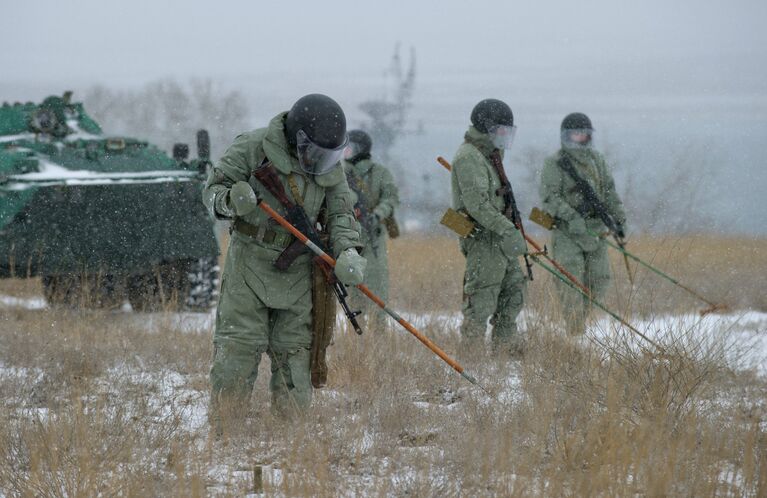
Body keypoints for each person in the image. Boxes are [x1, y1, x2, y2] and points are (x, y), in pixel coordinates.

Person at [202, 94, 366, 423]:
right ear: (298, 139)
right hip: (250, 262)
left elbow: (341, 215)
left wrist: (348, 250)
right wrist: (232, 199)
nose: (322, 161)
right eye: (317, 153)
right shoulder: (252, 147)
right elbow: (212, 192)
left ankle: (290, 439)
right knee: (238, 349)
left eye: (329, 155)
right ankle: (224, 434)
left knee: (296, 355)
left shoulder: (331, 166)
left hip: (301, 271)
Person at [450, 98, 528, 355]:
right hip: (484, 240)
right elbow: (478, 205)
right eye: (501, 130)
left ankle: (504, 354)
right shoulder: (469, 157)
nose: (505, 137)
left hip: (500, 239)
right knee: (481, 301)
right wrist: (507, 229)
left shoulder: (490, 154)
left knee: (513, 293)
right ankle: (471, 357)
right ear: (487, 127)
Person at [539, 112, 627, 336]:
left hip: (596, 230)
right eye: (575, 134)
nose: (580, 138)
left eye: (584, 134)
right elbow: (550, 197)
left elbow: (609, 191)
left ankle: (580, 320)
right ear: (566, 136)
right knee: (571, 281)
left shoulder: (597, 160)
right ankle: (575, 330)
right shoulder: (555, 163)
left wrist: (618, 219)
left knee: (600, 280)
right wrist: (572, 217)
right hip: (568, 232)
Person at [342, 129, 400, 327]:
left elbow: (391, 198)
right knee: (353, 289)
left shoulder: (380, 173)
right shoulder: (340, 173)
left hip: (373, 237)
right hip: (349, 235)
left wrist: (377, 214)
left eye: (350, 147)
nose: (346, 151)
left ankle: (379, 334)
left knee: (377, 287)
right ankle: (356, 333)